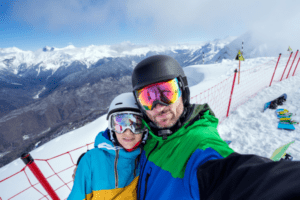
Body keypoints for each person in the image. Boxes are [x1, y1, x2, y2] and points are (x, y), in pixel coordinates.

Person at [131, 55, 300, 200]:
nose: (159, 106)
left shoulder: (201, 146)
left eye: (167, 92)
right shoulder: (149, 135)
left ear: (183, 90)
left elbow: (236, 179)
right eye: (147, 98)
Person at [68, 92, 148, 200]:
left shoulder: (147, 155)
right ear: (112, 127)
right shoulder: (91, 161)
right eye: (120, 125)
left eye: (137, 125)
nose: (128, 133)